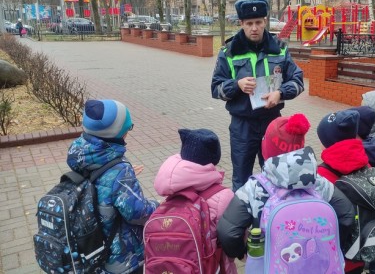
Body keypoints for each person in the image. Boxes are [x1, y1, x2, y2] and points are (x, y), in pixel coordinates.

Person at [216, 113, 355, 260]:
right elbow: (347, 215)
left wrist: (243, 253)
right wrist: (330, 244)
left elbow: (228, 232)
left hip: (270, 264)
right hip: (312, 261)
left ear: (267, 148)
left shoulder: (254, 187)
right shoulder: (318, 182)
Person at [211, 0, 304, 191]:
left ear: (265, 22)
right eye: (249, 23)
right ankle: (243, 220)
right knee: (241, 178)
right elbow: (216, 88)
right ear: (242, 24)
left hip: (272, 124)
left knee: (275, 175)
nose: (254, 28)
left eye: (259, 22)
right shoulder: (229, 52)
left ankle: (270, 218)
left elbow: (298, 81)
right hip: (242, 126)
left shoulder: (280, 49)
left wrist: (280, 93)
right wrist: (237, 85)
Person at [66, 99, 159, 273]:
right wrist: (160, 206)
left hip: (90, 244)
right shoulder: (119, 170)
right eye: (127, 128)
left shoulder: (80, 152)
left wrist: (116, 181)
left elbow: (96, 182)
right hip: (117, 255)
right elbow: (136, 212)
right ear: (117, 132)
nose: (128, 133)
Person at [153, 128, 237, 273]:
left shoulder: (171, 187)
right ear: (214, 158)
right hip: (213, 266)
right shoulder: (223, 195)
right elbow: (231, 236)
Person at [316, 109, 369, 274]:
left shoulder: (320, 177)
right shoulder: (368, 166)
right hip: (361, 252)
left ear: (328, 142)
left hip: (333, 258)